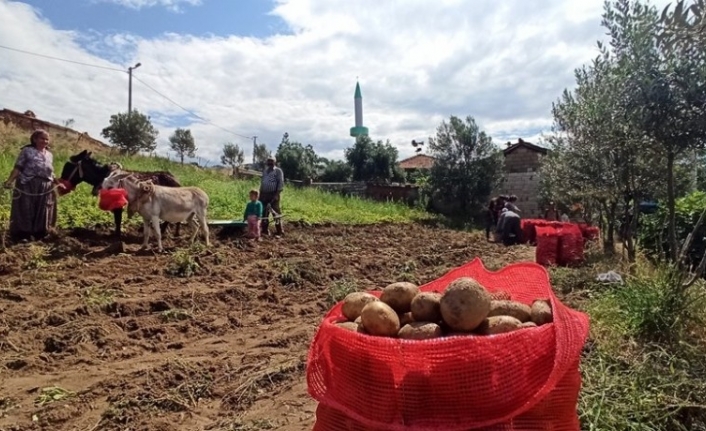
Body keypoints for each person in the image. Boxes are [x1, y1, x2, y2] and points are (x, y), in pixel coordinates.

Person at [3, 129, 65, 242]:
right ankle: (23, 235)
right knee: (26, 208)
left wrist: (58, 183)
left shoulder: (49, 155)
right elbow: (18, 167)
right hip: (27, 183)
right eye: (42, 138)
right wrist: (10, 181)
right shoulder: (27, 151)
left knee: (43, 209)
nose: (45, 141)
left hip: (45, 186)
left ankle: (39, 234)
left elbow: (50, 172)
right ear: (35, 139)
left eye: (47, 139)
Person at [259, 156, 285, 236]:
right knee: (264, 213)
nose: (270, 162)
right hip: (264, 194)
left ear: (275, 162)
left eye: (271, 161)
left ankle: (280, 231)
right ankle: (265, 231)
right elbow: (262, 182)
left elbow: (280, 183)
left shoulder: (278, 171)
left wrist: (277, 194)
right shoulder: (265, 171)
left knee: (276, 213)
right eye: (268, 161)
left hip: (273, 194)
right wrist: (260, 193)